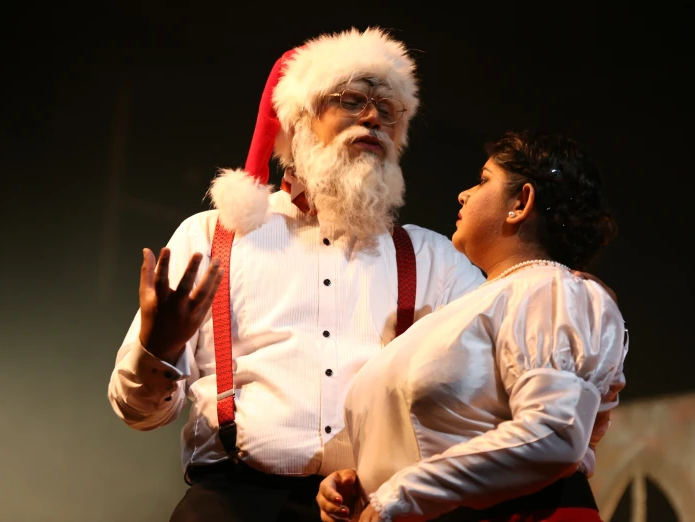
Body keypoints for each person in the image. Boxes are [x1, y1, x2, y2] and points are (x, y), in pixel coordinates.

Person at [107, 27, 488, 522]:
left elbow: (497, 377)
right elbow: (137, 413)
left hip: (377, 508)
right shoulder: (214, 238)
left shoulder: (435, 260)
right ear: (302, 121)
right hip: (233, 504)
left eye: (389, 109)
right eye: (351, 100)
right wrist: (158, 350)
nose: (373, 117)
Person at [317, 130, 629, 522]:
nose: (463, 194)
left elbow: (555, 433)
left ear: (521, 202)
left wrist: (399, 494)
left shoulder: (549, 290)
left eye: (483, 180)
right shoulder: (463, 310)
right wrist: (360, 485)